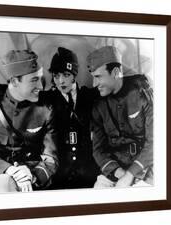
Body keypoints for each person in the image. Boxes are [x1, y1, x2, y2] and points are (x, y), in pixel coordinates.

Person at [0, 49, 58, 193]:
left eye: (40, 78)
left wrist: (32, 177)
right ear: (15, 81)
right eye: (34, 80)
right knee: (3, 185)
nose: (41, 87)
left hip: (34, 176)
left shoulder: (47, 108)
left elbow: (51, 157)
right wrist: (10, 170)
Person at [87, 46, 153, 188]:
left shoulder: (142, 92)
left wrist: (131, 174)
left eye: (98, 77)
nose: (94, 84)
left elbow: (157, 142)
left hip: (146, 169)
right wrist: (120, 173)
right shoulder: (98, 105)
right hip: (117, 171)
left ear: (116, 72)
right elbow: (98, 150)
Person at [45, 47, 100, 189]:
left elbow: (114, 85)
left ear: (74, 75)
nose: (61, 81)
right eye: (56, 76)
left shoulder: (90, 96)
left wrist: (139, 81)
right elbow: (18, 90)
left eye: (66, 75)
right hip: (59, 175)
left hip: (89, 173)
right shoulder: (48, 99)